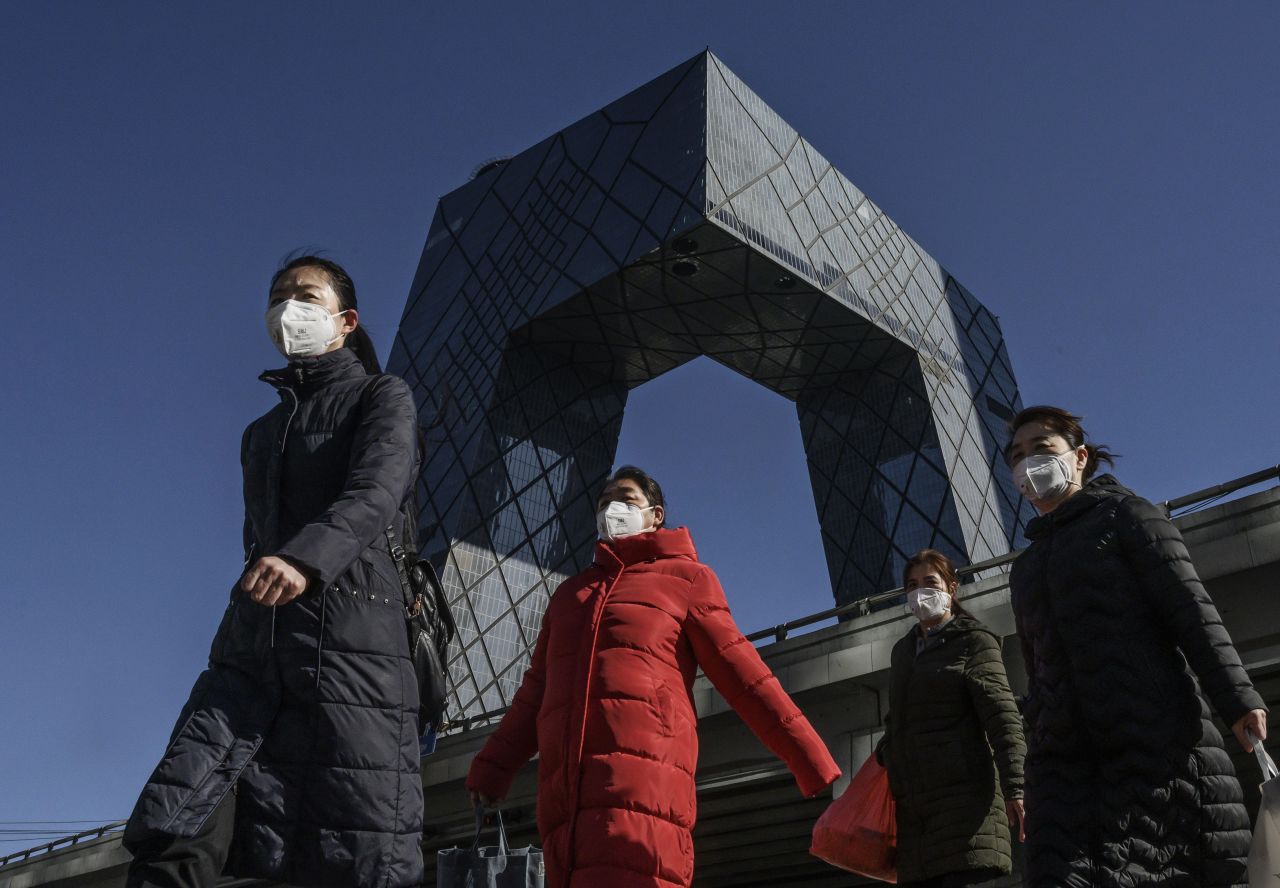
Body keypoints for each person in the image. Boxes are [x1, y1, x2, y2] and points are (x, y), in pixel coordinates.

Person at [123, 256, 425, 887]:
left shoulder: (381, 395)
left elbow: (378, 491)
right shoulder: (259, 433)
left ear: (345, 321)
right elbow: (253, 542)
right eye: (279, 295)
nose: (291, 307)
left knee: (347, 848)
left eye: (307, 295)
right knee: (176, 823)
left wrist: (303, 558)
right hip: (250, 655)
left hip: (352, 651)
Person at [465, 466, 842, 888]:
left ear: (655, 514)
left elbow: (744, 674)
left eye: (625, 499)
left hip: (646, 793)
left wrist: (808, 756)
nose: (611, 509)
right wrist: (492, 769)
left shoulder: (687, 580)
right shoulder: (570, 596)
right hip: (563, 806)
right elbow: (534, 695)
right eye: (604, 501)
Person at [1006, 404, 1268, 888]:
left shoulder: (1126, 516)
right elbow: (1038, 668)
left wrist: (1237, 698)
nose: (1028, 464)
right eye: (1017, 455)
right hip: (1063, 766)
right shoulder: (1025, 567)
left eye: (1043, 449)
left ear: (1079, 457)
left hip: (1154, 748)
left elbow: (1190, 611)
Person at [876, 549, 1026, 888]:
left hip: (962, 805)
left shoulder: (973, 640)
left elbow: (1002, 715)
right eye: (912, 585)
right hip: (914, 814)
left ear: (951, 588)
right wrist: (887, 754)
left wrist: (1016, 785)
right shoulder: (902, 651)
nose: (920, 592)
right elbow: (895, 719)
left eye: (930, 582)